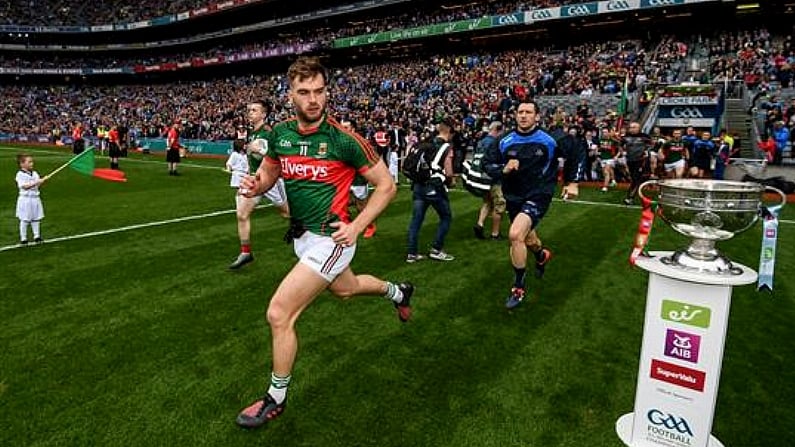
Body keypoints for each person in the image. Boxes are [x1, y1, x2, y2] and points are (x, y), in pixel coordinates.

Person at [235, 57, 413, 429]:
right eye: (304, 92)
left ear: (327, 92)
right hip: (302, 238)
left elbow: (387, 186)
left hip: (333, 237)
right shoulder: (281, 134)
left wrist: (358, 225)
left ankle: (275, 398)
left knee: (279, 313)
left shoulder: (345, 141)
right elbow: (270, 171)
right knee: (346, 290)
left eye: (319, 91)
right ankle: (398, 292)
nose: (313, 99)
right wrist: (258, 184)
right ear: (291, 95)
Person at [483, 100, 576, 309]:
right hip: (514, 196)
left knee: (515, 234)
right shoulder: (504, 140)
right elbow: (486, 164)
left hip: (539, 194)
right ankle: (541, 255)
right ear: (515, 115)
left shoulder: (550, 139)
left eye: (528, 112)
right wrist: (503, 169)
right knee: (529, 239)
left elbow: (576, 151)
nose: (523, 115)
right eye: (520, 112)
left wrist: (573, 182)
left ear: (537, 116)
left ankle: (518, 287)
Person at [228, 100, 290, 270]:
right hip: (253, 179)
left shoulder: (267, 132)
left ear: (263, 114)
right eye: (249, 110)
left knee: (287, 213)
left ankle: (311, 226)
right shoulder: (251, 132)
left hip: (270, 179)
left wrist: (260, 149)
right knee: (241, 214)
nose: (250, 113)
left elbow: (271, 152)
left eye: (254, 110)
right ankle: (246, 252)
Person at [406, 117, 456, 263]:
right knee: (446, 217)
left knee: (416, 220)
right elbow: (449, 171)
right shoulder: (446, 147)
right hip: (433, 185)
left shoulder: (424, 142)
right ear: (450, 131)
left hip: (418, 184)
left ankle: (412, 253)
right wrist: (450, 181)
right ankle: (436, 249)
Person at [341, 119, 377, 239]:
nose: (343, 130)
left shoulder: (360, 143)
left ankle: (370, 226)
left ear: (353, 129)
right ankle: (347, 223)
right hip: (345, 179)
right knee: (341, 203)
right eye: (342, 127)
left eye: (346, 127)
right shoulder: (339, 142)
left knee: (361, 206)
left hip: (358, 180)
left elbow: (369, 161)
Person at [473, 121, 506, 240]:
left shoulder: (481, 141)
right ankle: (495, 234)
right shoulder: (495, 143)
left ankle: (480, 224)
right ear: (497, 129)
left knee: (487, 202)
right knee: (499, 204)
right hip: (493, 177)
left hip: (482, 177)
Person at [15, 153, 47, 245]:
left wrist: (43, 180)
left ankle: (37, 236)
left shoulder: (35, 173)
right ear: (22, 164)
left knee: (36, 218)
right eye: (29, 162)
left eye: (32, 162)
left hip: (35, 198)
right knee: (25, 219)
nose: (32, 163)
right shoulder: (20, 174)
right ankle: (23, 238)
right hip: (25, 199)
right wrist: (37, 181)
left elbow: (37, 185)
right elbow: (24, 186)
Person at [620, 122, 651, 206]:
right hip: (630, 160)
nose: (632, 129)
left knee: (636, 179)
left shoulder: (645, 136)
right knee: (634, 178)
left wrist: (646, 152)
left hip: (641, 160)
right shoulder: (625, 137)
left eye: (634, 127)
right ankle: (633, 195)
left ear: (639, 128)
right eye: (631, 127)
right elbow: (620, 145)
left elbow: (650, 146)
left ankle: (630, 197)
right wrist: (623, 153)